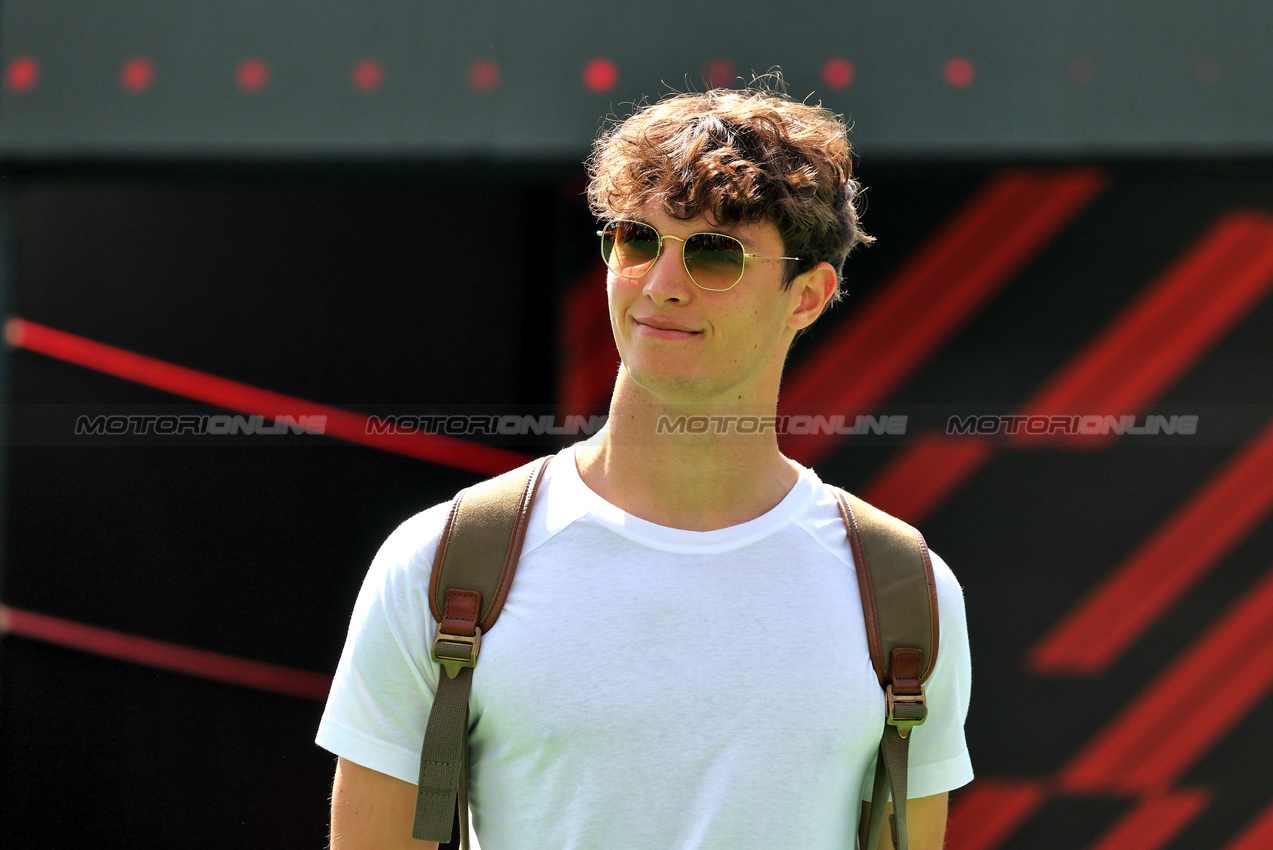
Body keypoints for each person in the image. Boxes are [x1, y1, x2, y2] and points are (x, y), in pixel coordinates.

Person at [318, 84, 973, 850]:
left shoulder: (904, 591)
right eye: (635, 239)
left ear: (808, 295)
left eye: (714, 252)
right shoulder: (443, 565)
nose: (660, 283)